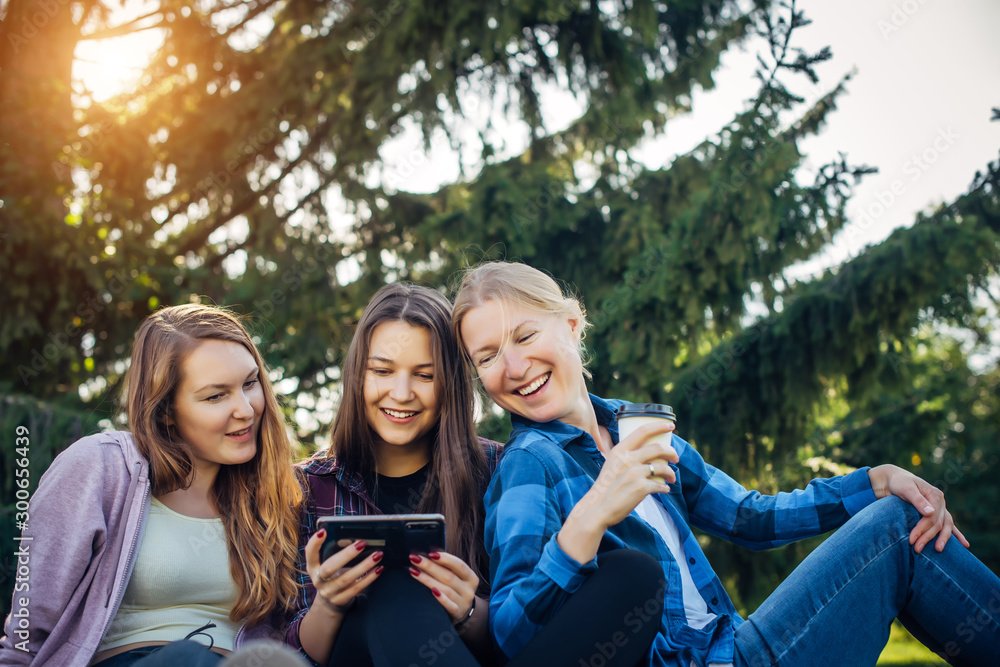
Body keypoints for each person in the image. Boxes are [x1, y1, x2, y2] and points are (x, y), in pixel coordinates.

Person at [451, 260, 1000, 667]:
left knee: (897, 514)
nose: (515, 366)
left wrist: (872, 481)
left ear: (571, 326)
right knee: (899, 529)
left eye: (524, 335)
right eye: (488, 357)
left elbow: (751, 518)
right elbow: (510, 630)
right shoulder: (529, 465)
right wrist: (589, 517)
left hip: (734, 644)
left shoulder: (636, 427)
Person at [1, 304, 307, 667]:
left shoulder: (273, 498)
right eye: (215, 396)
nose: (246, 409)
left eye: (250, 383)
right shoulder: (101, 468)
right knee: (188, 657)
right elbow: (26, 631)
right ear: (165, 409)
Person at [285, 284, 502, 667]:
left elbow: (529, 638)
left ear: (450, 383)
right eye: (382, 371)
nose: (401, 393)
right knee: (391, 587)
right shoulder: (306, 486)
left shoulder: (496, 469)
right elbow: (288, 654)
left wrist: (469, 612)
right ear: (357, 375)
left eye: (424, 375)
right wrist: (330, 605)